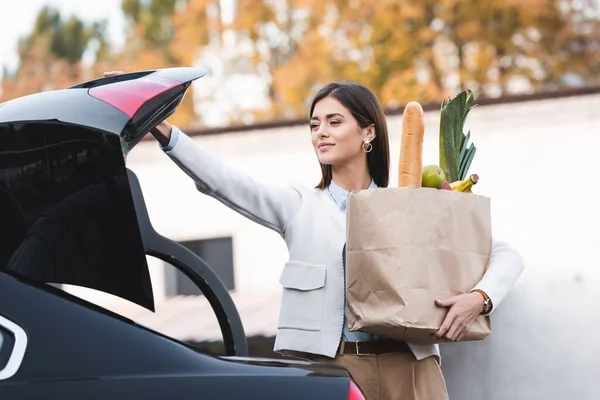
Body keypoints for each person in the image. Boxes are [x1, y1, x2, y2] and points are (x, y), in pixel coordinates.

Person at [105, 72, 524, 400]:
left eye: (334, 121)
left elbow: (504, 254)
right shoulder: (298, 205)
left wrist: (479, 299)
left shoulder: (411, 203)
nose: (320, 132)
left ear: (368, 133)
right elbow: (225, 183)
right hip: (331, 370)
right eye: (314, 124)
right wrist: (163, 129)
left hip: (411, 371)